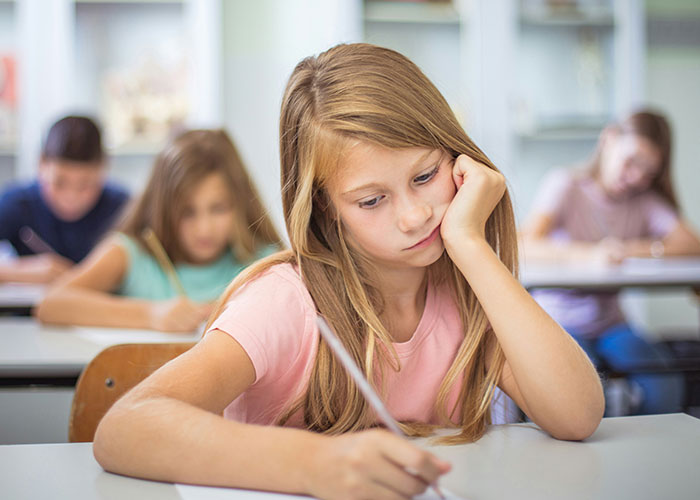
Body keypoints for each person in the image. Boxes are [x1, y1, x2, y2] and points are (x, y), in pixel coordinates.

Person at [93, 44, 603, 499]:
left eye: (426, 176)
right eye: (372, 200)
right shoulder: (286, 302)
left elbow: (576, 415)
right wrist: (314, 464)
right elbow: (125, 428)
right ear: (325, 209)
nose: (414, 215)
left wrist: (470, 243)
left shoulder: (468, 294)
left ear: (459, 157)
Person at [520, 109, 700, 415]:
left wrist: (627, 250)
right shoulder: (566, 184)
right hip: (560, 322)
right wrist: (590, 255)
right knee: (585, 395)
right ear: (609, 139)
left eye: (648, 172)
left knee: (665, 386)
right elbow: (524, 243)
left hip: (611, 325)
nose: (636, 177)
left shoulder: (641, 200)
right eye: (631, 162)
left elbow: (691, 243)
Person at [36, 129, 282, 332]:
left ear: (239, 203)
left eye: (218, 209)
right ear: (162, 208)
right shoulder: (131, 254)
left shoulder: (264, 262)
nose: (204, 228)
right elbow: (51, 304)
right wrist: (150, 314)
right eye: (187, 212)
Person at [0, 115, 129, 283]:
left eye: (85, 185)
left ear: (103, 168)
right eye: (59, 183)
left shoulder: (123, 208)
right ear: (41, 164)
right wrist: (20, 271)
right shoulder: (17, 204)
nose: (71, 196)